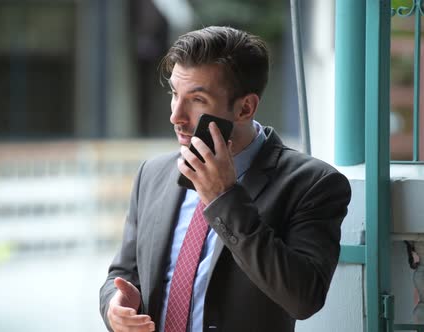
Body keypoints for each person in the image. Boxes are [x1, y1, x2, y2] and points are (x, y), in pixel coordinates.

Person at [99, 26, 352, 332]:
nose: (176, 116)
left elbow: (303, 298)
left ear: (245, 108)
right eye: (175, 94)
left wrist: (225, 198)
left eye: (197, 100)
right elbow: (122, 273)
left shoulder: (313, 184)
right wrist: (115, 308)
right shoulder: (152, 174)